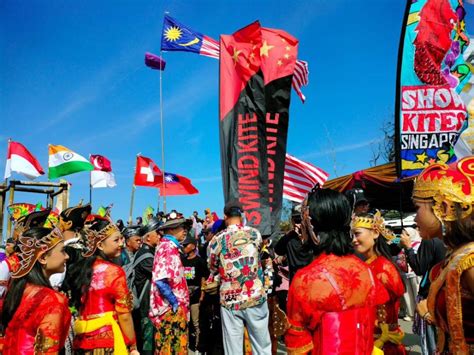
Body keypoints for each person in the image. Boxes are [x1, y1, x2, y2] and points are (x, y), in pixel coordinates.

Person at [285, 188, 386, 354]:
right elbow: (377, 320)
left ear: (310, 226)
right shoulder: (366, 269)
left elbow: (297, 344)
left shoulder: (306, 279)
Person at [411, 156, 474, 353]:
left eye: (417, 208)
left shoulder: (470, 262)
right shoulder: (455, 256)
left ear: (443, 208)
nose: (415, 218)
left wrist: (430, 316)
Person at [208, 201, 271, 354]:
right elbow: (259, 257)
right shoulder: (254, 234)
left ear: (225, 216)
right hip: (255, 296)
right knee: (262, 345)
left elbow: (212, 267)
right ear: (242, 215)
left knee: (233, 348)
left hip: (230, 300)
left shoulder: (216, 240)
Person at [69, 216, 138, 354]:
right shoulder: (114, 271)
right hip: (107, 341)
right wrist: (132, 344)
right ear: (100, 245)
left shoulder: (81, 270)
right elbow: (124, 314)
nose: (121, 244)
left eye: (121, 239)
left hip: (82, 338)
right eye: (116, 240)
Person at [2, 227, 71, 354]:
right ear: (43, 257)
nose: (67, 256)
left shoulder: (18, 290)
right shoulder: (52, 300)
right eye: (63, 251)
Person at [352, 210, 407, 355]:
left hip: (383, 345)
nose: (353, 240)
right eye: (352, 235)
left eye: (357, 233)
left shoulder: (384, 268)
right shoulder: (367, 265)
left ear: (375, 233)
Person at [149, 212, 190, 354]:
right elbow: (161, 280)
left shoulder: (169, 247)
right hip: (170, 312)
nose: (185, 230)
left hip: (172, 311)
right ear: (171, 229)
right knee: (172, 348)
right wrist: (175, 303)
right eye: (181, 227)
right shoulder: (167, 248)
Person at [399, 233, 446, 354]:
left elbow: (419, 268)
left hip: (430, 296)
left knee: (432, 343)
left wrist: (408, 247)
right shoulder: (446, 239)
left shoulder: (429, 240)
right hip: (445, 295)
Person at [133, 217, 162, 354]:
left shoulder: (148, 252)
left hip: (148, 304)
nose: (160, 237)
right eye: (158, 234)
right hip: (145, 305)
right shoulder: (146, 256)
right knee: (147, 341)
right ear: (149, 237)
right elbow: (161, 274)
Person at [181, 234, 209, 352]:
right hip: (183, 297)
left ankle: (197, 347)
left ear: (193, 246)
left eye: (186, 245)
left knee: (196, 323)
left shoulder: (199, 261)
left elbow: (203, 278)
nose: (184, 247)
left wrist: (202, 294)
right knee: (185, 323)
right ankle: (185, 345)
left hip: (196, 297)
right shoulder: (182, 260)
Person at [274, 206, 313, 282]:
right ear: (292, 221)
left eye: (300, 219)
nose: (298, 223)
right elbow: (278, 250)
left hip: (311, 281)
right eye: (296, 220)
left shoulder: (313, 237)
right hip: (295, 282)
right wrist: (289, 234)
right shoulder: (289, 238)